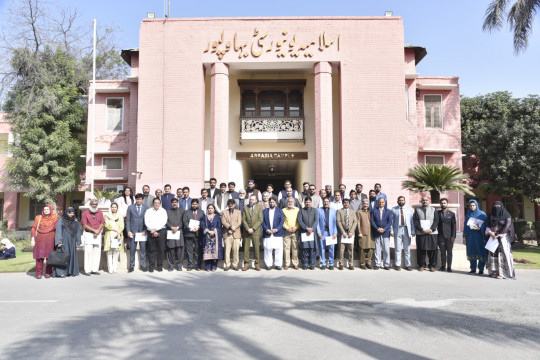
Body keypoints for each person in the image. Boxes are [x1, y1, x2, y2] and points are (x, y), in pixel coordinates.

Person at [486, 201, 516, 279]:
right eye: (495, 206)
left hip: (503, 239)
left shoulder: (507, 216)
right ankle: (495, 272)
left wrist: (498, 234)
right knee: (493, 255)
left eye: (498, 206)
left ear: (502, 207)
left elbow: (507, 227)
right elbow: (487, 226)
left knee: (502, 255)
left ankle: (503, 273)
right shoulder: (490, 216)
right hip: (492, 238)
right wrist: (491, 233)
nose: (496, 208)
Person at [30, 204, 58, 278]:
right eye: (45, 209)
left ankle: (48, 272)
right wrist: (32, 239)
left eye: (47, 209)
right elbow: (33, 228)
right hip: (40, 239)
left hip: (50, 240)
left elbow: (58, 229)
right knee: (39, 256)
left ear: (50, 210)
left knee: (49, 256)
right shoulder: (38, 218)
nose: (46, 211)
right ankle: (39, 273)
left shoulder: (55, 218)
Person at [52, 207, 81, 277]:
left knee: (71, 255)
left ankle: (70, 271)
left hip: (72, 241)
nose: (71, 214)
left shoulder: (75, 220)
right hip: (64, 240)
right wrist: (59, 241)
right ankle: (61, 272)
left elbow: (78, 231)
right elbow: (58, 231)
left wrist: (78, 241)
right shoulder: (61, 220)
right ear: (66, 212)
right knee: (63, 255)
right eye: (70, 213)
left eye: (72, 213)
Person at [413, 196, 440, 272]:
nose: (425, 201)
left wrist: (431, 229)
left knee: (432, 250)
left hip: (432, 233)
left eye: (426, 200)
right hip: (421, 233)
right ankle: (422, 265)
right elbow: (416, 221)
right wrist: (421, 229)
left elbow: (436, 221)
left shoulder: (434, 210)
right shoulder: (417, 210)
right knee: (421, 249)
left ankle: (432, 265)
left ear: (429, 201)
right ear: (421, 201)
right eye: (423, 200)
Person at [390, 196, 416, 271]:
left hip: (406, 230)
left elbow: (412, 221)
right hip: (397, 229)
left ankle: (408, 265)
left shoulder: (410, 209)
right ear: (397, 201)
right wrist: (391, 231)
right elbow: (392, 221)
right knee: (398, 249)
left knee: (407, 249)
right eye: (400, 200)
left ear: (405, 201)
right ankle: (398, 265)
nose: (401, 201)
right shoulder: (394, 209)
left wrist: (413, 231)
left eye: (402, 200)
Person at [463, 199, 488, 275]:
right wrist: (464, 237)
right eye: (470, 205)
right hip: (470, 237)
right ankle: (473, 269)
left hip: (479, 236)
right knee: (471, 251)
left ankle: (481, 269)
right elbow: (465, 227)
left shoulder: (482, 214)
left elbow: (486, 225)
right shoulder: (468, 214)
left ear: (476, 205)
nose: (472, 207)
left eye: (473, 205)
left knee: (481, 251)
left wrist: (480, 228)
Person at [126, 193, 148, 272]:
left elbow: (148, 220)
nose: (138, 200)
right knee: (132, 249)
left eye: (140, 199)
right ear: (135, 199)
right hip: (133, 231)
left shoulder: (146, 207)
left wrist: (146, 229)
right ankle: (131, 266)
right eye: (137, 199)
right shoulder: (130, 207)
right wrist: (128, 230)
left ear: (142, 200)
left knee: (143, 249)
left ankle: (143, 265)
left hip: (142, 232)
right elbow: (128, 220)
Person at [81, 199, 105, 275]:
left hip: (97, 234)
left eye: (96, 204)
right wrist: (94, 231)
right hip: (89, 234)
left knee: (97, 252)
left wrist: (97, 231)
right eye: (93, 204)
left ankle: (94, 269)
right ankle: (87, 270)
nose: (94, 205)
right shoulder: (85, 213)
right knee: (88, 252)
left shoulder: (100, 212)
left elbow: (102, 222)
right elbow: (84, 225)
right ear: (90, 205)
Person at [145, 197, 168, 272]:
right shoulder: (148, 211)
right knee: (151, 250)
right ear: (153, 203)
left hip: (161, 231)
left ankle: (159, 266)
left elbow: (164, 221)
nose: (156, 204)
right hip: (150, 231)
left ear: (160, 204)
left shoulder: (163, 211)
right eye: (155, 203)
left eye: (158, 203)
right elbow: (146, 221)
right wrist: (152, 229)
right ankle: (151, 267)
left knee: (161, 250)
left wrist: (156, 229)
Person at [241, 194, 263, 271]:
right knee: (246, 248)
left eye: (253, 199)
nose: (251, 201)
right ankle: (246, 264)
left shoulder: (259, 207)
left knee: (256, 248)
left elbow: (260, 220)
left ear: (256, 200)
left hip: (256, 231)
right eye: (250, 199)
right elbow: (243, 220)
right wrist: (248, 228)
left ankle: (257, 264)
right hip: (247, 231)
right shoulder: (245, 207)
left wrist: (253, 228)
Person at [262, 197, 285, 270]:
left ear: (275, 203)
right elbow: (262, 222)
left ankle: (278, 264)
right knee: (268, 249)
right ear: (268, 203)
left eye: (273, 202)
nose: (271, 203)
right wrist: (266, 229)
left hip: (277, 233)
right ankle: (268, 264)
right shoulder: (264, 211)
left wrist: (277, 229)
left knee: (278, 249)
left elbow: (282, 222)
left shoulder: (280, 210)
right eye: (270, 202)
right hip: (268, 233)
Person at [371, 197, 393, 270]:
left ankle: (386, 264)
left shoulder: (389, 211)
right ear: (377, 203)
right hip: (377, 232)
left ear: (385, 203)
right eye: (379, 202)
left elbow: (390, 222)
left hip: (385, 232)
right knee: (377, 249)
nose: (381, 203)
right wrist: (377, 228)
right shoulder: (374, 211)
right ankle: (377, 264)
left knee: (386, 249)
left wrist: (384, 229)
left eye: (382, 202)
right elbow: (372, 221)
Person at [297, 196, 319, 270]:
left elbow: (316, 220)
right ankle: (305, 264)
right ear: (304, 203)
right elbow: (300, 220)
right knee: (304, 249)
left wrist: (311, 228)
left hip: (312, 232)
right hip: (304, 232)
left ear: (311, 203)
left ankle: (312, 264)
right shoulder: (301, 211)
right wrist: (306, 228)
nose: (308, 203)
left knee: (312, 248)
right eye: (306, 202)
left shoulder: (315, 210)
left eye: (309, 202)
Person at [200, 204, 223, 272]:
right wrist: (208, 231)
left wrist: (214, 231)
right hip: (207, 236)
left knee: (214, 251)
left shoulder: (217, 217)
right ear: (207, 209)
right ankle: (207, 266)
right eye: (209, 208)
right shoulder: (204, 217)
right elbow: (202, 225)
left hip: (215, 236)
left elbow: (219, 226)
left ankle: (214, 266)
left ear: (214, 209)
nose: (210, 209)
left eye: (211, 208)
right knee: (207, 251)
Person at [103, 203, 125, 274]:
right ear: (110, 208)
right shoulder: (107, 216)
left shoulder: (120, 216)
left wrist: (118, 233)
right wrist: (115, 230)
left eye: (115, 207)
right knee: (109, 252)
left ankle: (115, 268)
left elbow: (122, 226)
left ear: (117, 208)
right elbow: (106, 225)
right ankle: (110, 268)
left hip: (118, 235)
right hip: (109, 234)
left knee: (116, 252)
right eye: (112, 207)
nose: (114, 208)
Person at [183, 198, 204, 271]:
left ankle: (198, 265)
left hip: (198, 233)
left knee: (198, 250)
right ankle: (190, 265)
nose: (194, 205)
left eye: (195, 204)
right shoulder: (187, 212)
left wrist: (198, 227)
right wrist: (190, 229)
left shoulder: (202, 212)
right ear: (191, 204)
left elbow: (203, 222)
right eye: (193, 204)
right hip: (189, 233)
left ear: (198, 204)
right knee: (189, 250)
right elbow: (185, 221)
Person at [317, 197, 337, 270]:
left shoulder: (334, 211)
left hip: (331, 232)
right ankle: (323, 263)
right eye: (324, 201)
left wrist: (335, 232)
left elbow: (335, 223)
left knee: (331, 248)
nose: (326, 203)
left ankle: (331, 263)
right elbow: (317, 223)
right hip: (322, 232)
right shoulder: (318, 210)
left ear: (329, 202)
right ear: (322, 202)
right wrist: (318, 232)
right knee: (322, 248)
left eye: (327, 201)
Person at [221, 199, 242, 271]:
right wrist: (229, 227)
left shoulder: (238, 212)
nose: (231, 205)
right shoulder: (224, 212)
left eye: (232, 204)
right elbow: (223, 222)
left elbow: (239, 222)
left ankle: (235, 265)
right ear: (227, 205)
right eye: (229, 204)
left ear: (234, 204)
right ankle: (227, 264)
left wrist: (233, 229)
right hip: (227, 233)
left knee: (236, 250)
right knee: (227, 250)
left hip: (236, 233)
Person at [336, 198, 357, 270]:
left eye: (347, 202)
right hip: (343, 233)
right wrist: (343, 232)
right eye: (345, 202)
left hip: (351, 233)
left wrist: (351, 231)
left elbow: (355, 222)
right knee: (341, 250)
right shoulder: (339, 211)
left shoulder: (353, 212)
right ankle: (341, 264)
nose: (346, 204)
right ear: (343, 203)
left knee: (350, 250)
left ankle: (351, 264)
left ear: (349, 203)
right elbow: (338, 221)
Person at [437, 198, 456, 272]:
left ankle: (449, 267)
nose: (443, 204)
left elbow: (454, 226)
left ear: (447, 204)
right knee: (442, 252)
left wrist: (453, 236)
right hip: (440, 236)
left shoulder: (451, 214)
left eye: (444, 203)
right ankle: (443, 266)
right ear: (440, 204)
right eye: (442, 203)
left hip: (449, 236)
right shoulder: (437, 213)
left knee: (449, 252)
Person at [166, 198, 185, 271]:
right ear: (171, 203)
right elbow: (165, 221)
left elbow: (184, 221)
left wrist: (177, 227)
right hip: (170, 232)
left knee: (180, 249)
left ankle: (179, 265)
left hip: (179, 231)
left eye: (175, 202)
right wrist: (171, 227)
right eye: (173, 202)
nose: (174, 203)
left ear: (178, 203)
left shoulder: (182, 210)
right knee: (170, 249)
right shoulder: (167, 211)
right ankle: (171, 265)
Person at [282, 197, 300, 270]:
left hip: (295, 231)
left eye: (291, 201)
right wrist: (287, 228)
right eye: (289, 201)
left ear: (294, 202)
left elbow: (299, 220)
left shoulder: (297, 210)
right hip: (287, 231)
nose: (290, 202)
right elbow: (282, 221)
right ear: (287, 202)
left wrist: (296, 227)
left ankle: (295, 263)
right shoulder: (283, 210)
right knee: (286, 248)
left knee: (295, 248)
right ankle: (287, 264)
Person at [356, 199, 374, 269]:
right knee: (362, 248)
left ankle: (368, 262)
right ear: (362, 204)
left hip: (371, 233)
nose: (365, 205)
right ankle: (362, 263)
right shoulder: (359, 212)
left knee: (370, 248)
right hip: (363, 233)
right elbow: (357, 223)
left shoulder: (370, 212)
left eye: (367, 204)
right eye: (364, 204)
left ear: (368, 205)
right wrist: (359, 232)